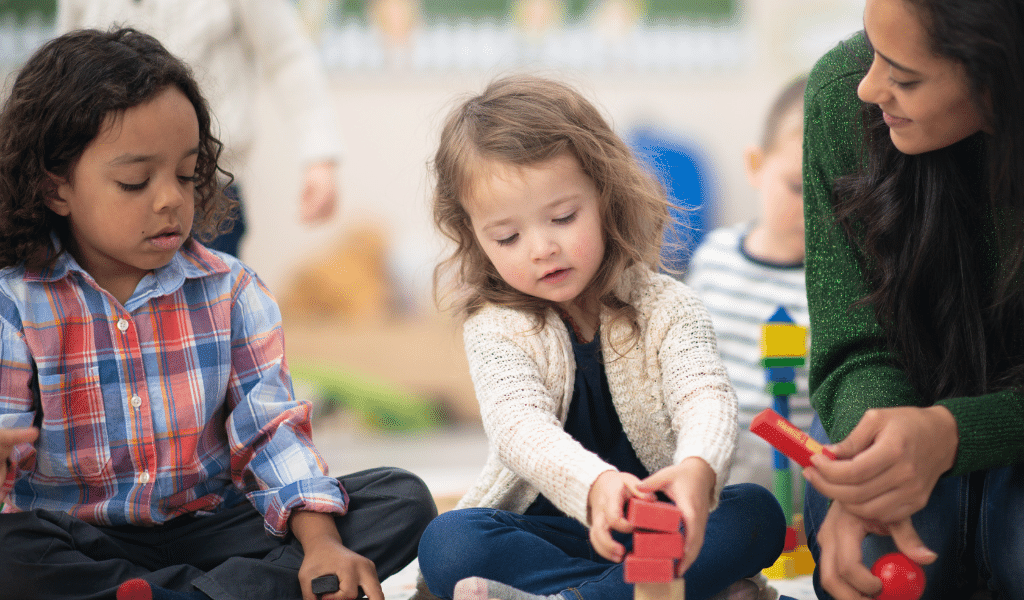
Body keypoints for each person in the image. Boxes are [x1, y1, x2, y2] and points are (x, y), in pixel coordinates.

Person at [0, 28, 435, 600]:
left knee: (401, 500)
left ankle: (171, 593)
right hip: (80, 538)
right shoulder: (16, 301)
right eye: (135, 181)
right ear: (57, 189)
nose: (170, 200)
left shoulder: (231, 291)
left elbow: (271, 434)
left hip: (211, 529)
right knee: (11, 552)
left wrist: (322, 542)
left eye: (185, 174)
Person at [415, 75, 786, 600]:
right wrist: (595, 488)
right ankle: (655, 593)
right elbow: (519, 428)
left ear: (605, 195)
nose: (542, 247)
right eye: (508, 236)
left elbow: (705, 396)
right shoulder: (495, 325)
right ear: (474, 236)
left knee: (756, 512)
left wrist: (697, 468)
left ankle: (581, 597)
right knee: (449, 542)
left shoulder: (668, 306)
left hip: (663, 528)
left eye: (563, 217)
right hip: (557, 534)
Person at [799, 0, 1024, 598]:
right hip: (907, 411)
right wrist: (869, 464)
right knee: (882, 564)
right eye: (871, 47)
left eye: (904, 76)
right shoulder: (842, 94)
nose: (870, 87)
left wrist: (955, 433)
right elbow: (855, 343)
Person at [58, 0, 345, 257]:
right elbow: (65, 67)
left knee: (207, 306)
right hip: (113, 189)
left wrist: (320, 156)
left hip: (209, 188)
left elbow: (287, 55)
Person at [686, 75, 810, 506]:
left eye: (836, 193)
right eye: (796, 187)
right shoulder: (715, 256)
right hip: (708, 441)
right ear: (756, 166)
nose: (814, 210)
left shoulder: (836, 282)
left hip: (791, 460)